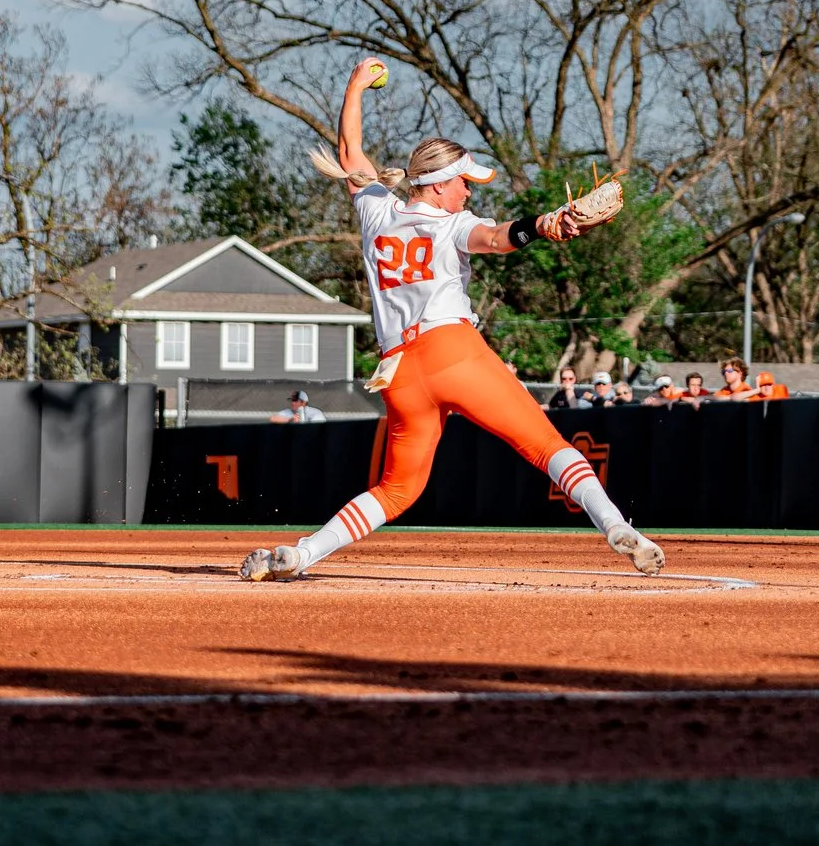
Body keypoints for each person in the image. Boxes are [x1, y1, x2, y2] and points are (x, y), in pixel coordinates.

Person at [241, 58, 663, 581]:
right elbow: (498, 237)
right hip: (451, 353)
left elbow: (350, 153)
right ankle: (618, 528)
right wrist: (546, 224)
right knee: (547, 444)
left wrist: (354, 85)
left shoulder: (377, 210)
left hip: (398, 372)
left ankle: (301, 554)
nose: (469, 190)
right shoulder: (452, 224)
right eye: (464, 181)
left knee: (398, 489)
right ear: (439, 185)